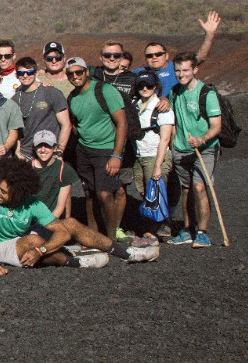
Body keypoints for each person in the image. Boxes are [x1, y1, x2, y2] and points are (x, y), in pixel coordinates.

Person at [0, 157, 157, 276]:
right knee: (33, 240)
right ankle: (76, 262)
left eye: (4, 192)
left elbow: (63, 233)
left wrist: (41, 251)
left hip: (22, 237)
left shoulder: (32, 203)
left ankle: (125, 253)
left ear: (18, 194)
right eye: (0, 188)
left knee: (69, 223)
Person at [65, 56, 128, 242]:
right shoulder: (73, 97)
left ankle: (111, 238)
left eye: (78, 72)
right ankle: (94, 236)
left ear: (86, 72)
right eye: (71, 73)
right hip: (84, 150)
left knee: (105, 193)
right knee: (90, 194)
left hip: (106, 149)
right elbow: (76, 123)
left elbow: (122, 122)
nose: (75, 76)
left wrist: (116, 154)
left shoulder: (104, 90)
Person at [167, 52, 223, 249]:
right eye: (177, 70)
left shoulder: (206, 93)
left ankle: (203, 232)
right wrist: (173, 144)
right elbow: (173, 121)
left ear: (195, 70)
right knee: (187, 189)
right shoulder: (174, 92)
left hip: (205, 148)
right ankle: (187, 230)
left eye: (185, 70)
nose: (181, 74)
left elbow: (216, 125)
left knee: (199, 187)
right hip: (181, 149)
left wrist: (202, 139)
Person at [131, 71, 174, 240]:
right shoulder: (134, 104)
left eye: (148, 85)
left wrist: (158, 165)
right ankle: (155, 226)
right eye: (141, 85)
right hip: (140, 155)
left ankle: (155, 230)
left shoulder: (161, 108)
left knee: (154, 194)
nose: (145, 88)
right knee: (143, 191)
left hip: (155, 155)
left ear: (155, 86)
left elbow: (165, 139)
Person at [136, 11, 220, 97]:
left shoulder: (177, 67)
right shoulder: (139, 72)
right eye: (149, 56)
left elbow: (200, 57)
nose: (154, 57)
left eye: (158, 54)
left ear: (166, 56)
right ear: (145, 58)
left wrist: (209, 35)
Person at [12, 56, 71, 160]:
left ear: (35, 73)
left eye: (29, 72)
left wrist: (59, 152)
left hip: (48, 152)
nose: (25, 76)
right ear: (16, 75)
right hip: (25, 155)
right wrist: (17, 151)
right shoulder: (15, 98)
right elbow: (15, 129)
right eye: (21, 73)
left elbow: (66, 125)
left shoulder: (51, 92)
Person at [31, 130, 77, 220]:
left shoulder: (64, 170)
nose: (43, 150)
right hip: (29, 218)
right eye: (39, 146)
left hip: (51, 218)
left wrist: (45, 223)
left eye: (47, 146)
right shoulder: (27, 168)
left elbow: (60, 206)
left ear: (55, 148)